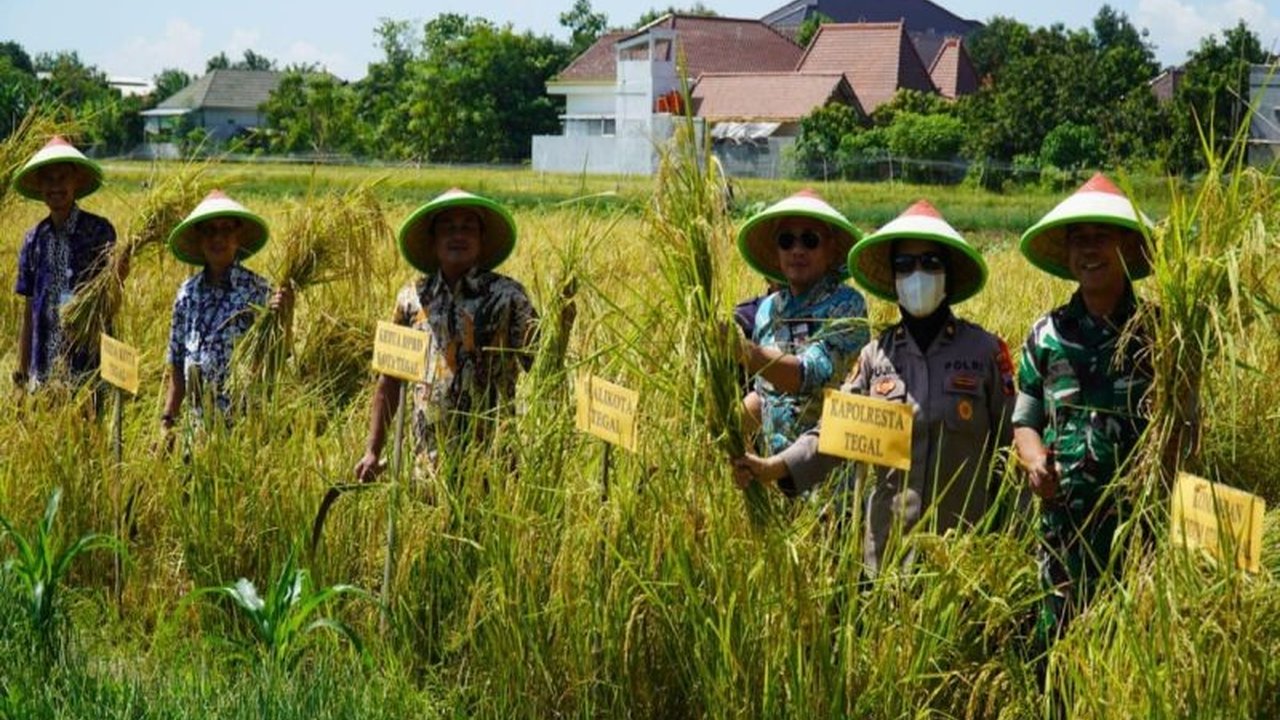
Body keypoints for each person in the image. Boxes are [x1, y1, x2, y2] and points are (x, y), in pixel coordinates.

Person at [734, 200, 1015, 574]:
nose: (918, 275)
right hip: (885, 561)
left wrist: (1010, 542)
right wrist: (773, 467)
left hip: (962, 562)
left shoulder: (984, 354)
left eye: (931, 263)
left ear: (948, 275)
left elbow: (1014, 450)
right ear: (893, 280)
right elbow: (834, 433)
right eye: (905, 266)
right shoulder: (875, 358)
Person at [1012, 173, 1156, 648]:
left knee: (1133, 646)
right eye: (1079, 240)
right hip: (1062, 528)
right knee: (1059, 645)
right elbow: (1025, 420)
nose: (1089, 251)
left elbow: (1187, 423)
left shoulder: (1160, 332)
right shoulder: (1047, 334)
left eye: (1102, 237)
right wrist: (1034, 462)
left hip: (1139, 529)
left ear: (1127, 247)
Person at [353, 188, 538, 483]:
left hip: (493, 463)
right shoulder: (411, 299)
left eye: (468, 227)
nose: (458, 235)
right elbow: (389, 379)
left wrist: (564, 326)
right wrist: (372, 451)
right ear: (434, 239)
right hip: (428, 465)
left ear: (481, 238)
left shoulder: (509, 297)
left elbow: (541, 365)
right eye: (448, 227)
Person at [731, 189, 868, 497]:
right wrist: (727, 423)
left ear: (831, 249)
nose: (797, 250)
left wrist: (746, 353)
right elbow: (766, 395)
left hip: (830, 482)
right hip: (774, 477)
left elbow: (809, 376)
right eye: (786, 241)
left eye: (809, 240)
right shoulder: (769, 309)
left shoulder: (845, 305)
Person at [160, 190, 291, 435]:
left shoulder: (259, 291)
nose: (218, 238)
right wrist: (168, 421)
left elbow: (278, 359)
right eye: (210, 230)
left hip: (244, 429)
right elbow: (177, 363)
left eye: (226, 230)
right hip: (196, 430)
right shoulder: (187, 294)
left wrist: (285, 316)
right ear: (200, 239)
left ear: (237, 237)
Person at [12, 136, 117, 391]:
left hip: (88, 367)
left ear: (77, 181)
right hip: (44, 368)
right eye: (48, 178)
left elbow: (112, 299)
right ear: (39, 185)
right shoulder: (34, 239)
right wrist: (22, 373)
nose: (55, 186)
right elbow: (29, 312)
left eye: (62, 178)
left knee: (89, 429)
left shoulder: (99, 232)